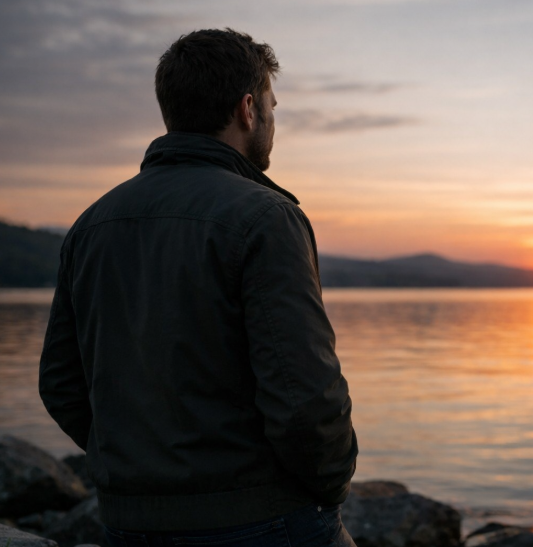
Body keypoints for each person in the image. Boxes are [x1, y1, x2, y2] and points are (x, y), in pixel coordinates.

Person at [38, 28, 358, 547]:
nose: (273, 122)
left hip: (128, 522)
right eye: (272, 107)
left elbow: (60, 382)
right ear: (248, 109)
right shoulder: (266, 218)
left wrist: (134, 471)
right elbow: (304, 398)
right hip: (258, 521)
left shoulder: (91, 224)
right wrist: (330, 485)